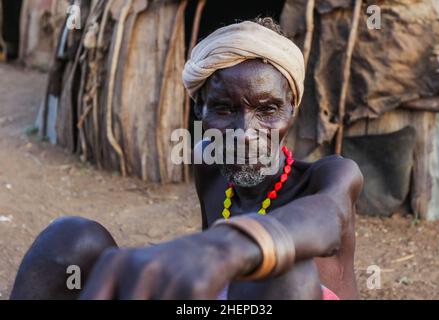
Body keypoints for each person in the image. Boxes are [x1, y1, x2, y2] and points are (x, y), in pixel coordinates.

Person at [10, 18, 363, 300]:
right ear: (199, 111)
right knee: (71, 237)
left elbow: (328, 218)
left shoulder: (332, 177)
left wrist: (223, 245)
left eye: (268, 110)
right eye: (224, 109)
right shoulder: (210, 166)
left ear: (292, 110)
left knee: (280, 268)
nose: (244, 131)